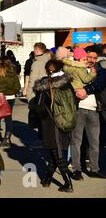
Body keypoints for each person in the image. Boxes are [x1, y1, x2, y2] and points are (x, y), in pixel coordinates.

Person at [33, 60, 74, 192]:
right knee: (54, 152)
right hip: (66, 121)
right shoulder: (67, 83)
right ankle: (47, 178)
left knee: (57, 154)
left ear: (49, 70)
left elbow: (39, 108)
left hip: (51, 123)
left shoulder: (46, 85)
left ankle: (68, 184)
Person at [67, 49, 106, 179]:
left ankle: (94, 169)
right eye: (88, 57)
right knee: (76, 141)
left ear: (97, 59)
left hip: (94, 110)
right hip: (78, 108)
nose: (91, 60)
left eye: (94, 58)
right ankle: (77, 170)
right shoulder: (75, 69)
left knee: (94, 142)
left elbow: (100, 84)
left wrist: (86, 90)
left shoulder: (100, 72)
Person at [26, 43, 51, 137]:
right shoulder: (50, 61)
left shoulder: (36, 63)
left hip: (38, 93)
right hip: (49, 92)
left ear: (36, 50)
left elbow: (33, 80)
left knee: (39, 117)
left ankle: (43, 139)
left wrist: (29, 96)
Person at [0, 57, 21, 147]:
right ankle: (7, 138)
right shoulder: (13, 73)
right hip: (10, 97)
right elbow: (17, 87)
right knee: (8, 118)